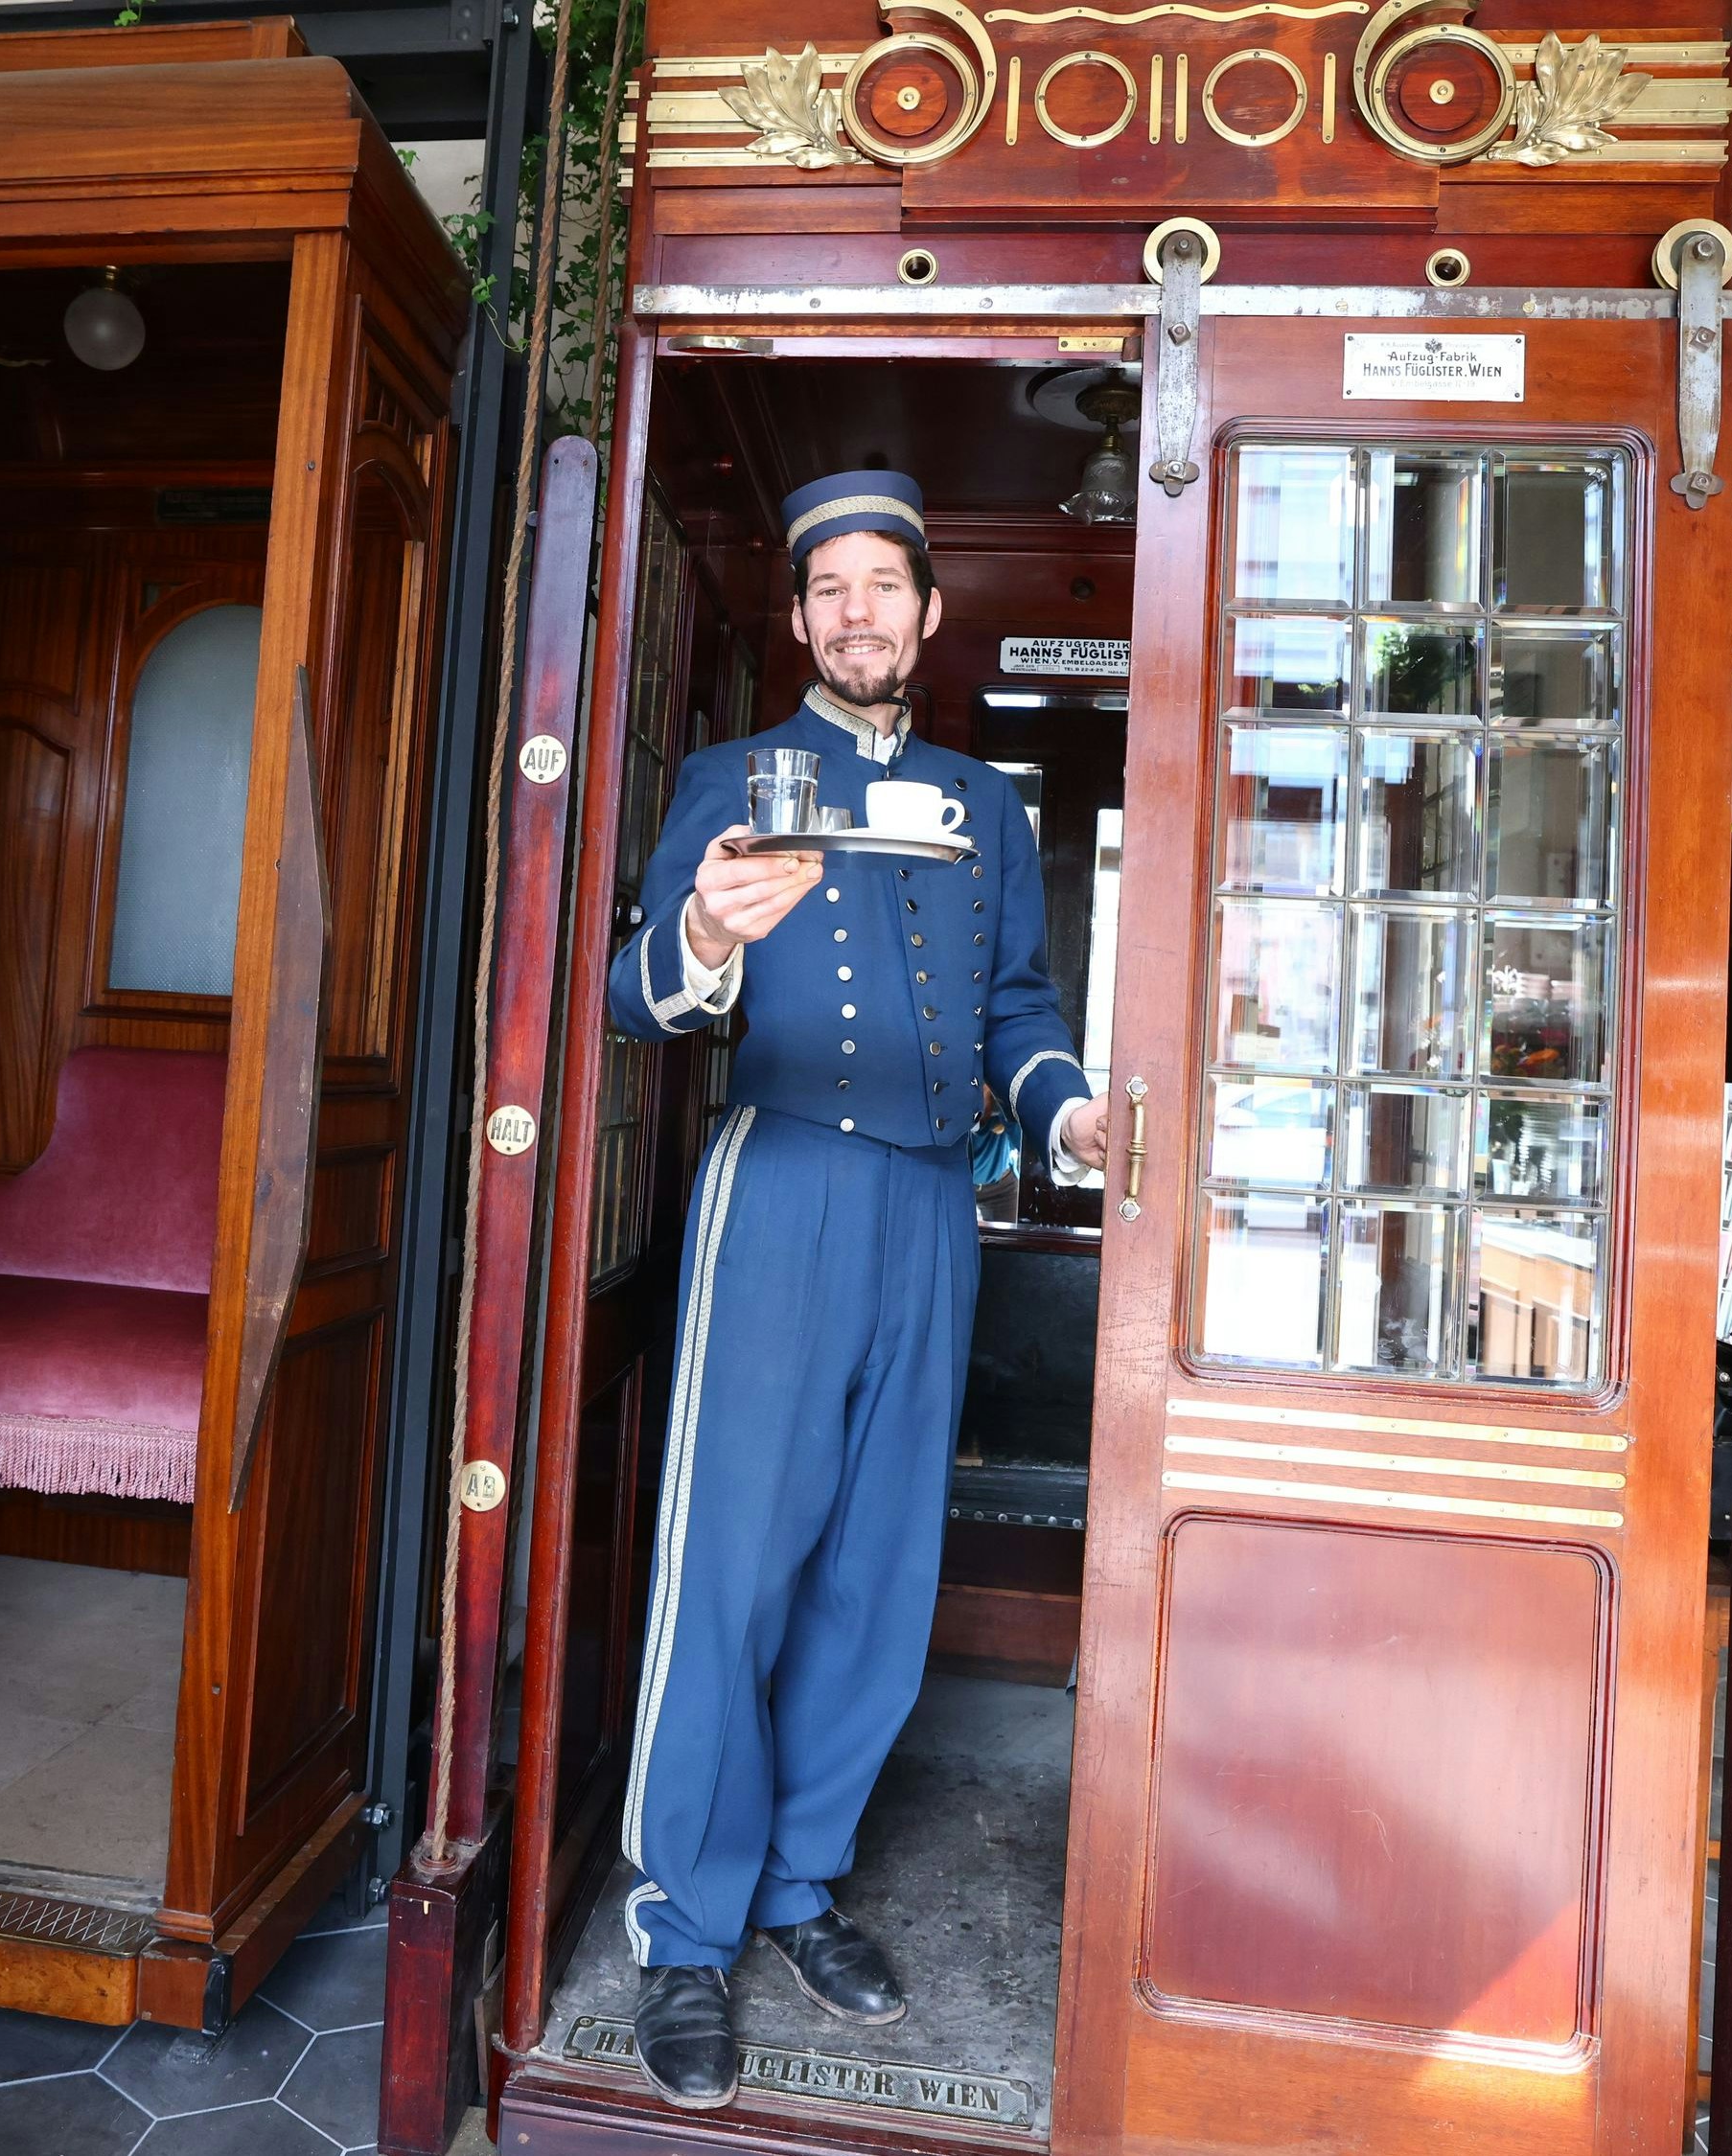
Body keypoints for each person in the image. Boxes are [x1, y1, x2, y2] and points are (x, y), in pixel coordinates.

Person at [602, 469, 1109, 2108]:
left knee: (877, 1575)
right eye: (830, 588)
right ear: (802, 616)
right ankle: (685, 1928)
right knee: (734, 1565)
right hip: (784, 1186)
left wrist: (1069, 1115)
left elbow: (1020, 1005)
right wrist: (705, 929)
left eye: (885, 583)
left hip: (932, 1206)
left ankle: (796, 1881)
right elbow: (635, 993)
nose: (858, 611)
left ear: (929, 612)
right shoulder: (734, 778)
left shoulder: (984, 805)